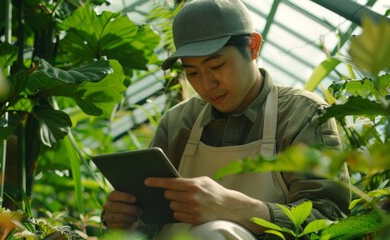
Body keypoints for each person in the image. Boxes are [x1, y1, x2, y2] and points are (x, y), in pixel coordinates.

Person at [101, 0, 350, 239]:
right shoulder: (177, 123)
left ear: (253, 46)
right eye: (192, 72)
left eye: (217, 66)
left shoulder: (302, 114)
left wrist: (239, 210)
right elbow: (149, 225)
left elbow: (330, 217)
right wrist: (128, 220)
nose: (206, 85)